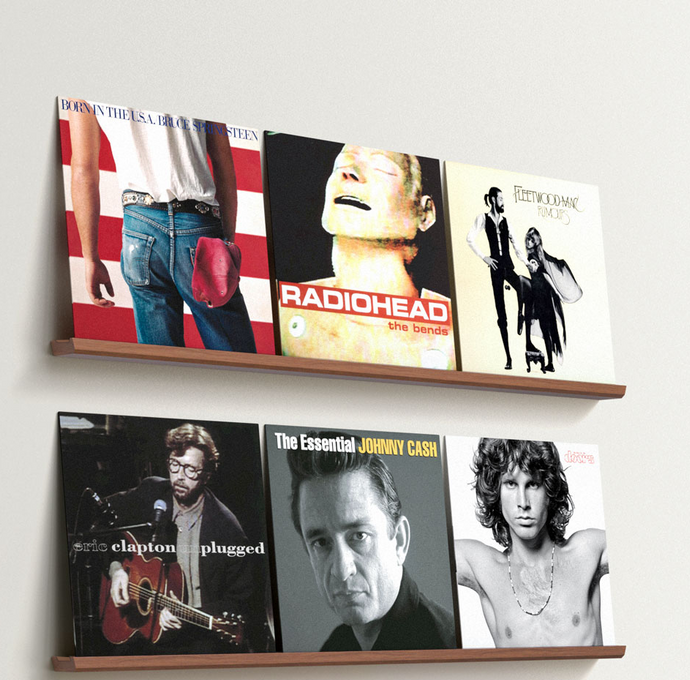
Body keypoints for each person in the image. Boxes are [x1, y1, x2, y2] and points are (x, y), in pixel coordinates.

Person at [67, 103, 257, 352]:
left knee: (161, 370)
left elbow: (83, 170)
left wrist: (91, 257)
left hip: (139, 230)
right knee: (239, 363)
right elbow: (222, 161)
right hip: (198, 224)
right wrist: (226, 244)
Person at [278, 145, 455, 369]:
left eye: (381, 167)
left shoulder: (456, 334)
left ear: (425, 213)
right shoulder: (283, 310)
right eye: (340, 165)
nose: (349, 172)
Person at [102, 423, 257, 652]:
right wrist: (116, 570)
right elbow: (102, 522)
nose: (180, 476)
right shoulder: (151, 493)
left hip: (197, 635)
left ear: (206, 475)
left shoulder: (228, 531)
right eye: (175, 465)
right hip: (144, 625)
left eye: (191, 469)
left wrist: (186, 617)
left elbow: (241, 602)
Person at [286, 441, 456, 651]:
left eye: (359, 536)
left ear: (399, 541)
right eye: (321, 542)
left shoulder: (446, 647)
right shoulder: (336, 647)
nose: (342, 571)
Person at [454, 439, 607, 647]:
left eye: (533, 484)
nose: (523, 503)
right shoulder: (483, 566)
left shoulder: (587, 551)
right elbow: (413, 553)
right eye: (510, 483)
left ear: (549, 491)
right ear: (496, 492)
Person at [465, 187, 526, 370]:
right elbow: (470, 239)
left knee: (523, 288)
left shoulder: (507, 222)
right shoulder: (482, 218)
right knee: (501, 313)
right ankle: (508, 357)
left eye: (502, 199)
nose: (502, 202)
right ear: (492, 199)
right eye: (500, 198)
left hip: (508, 266)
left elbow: (516, 245)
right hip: (496, 268)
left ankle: (521, 314)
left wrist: (525, 262)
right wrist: (484, 257)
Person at [520, 228, 582, 373]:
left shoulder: (533, 257)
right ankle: (550, 364)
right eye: (527, 239)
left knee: (547, 329)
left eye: (531, 239)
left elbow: (544, 274)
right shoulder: (539, 255)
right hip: (543, 295)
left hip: (541, 297)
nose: (528, 241)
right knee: (548, 330)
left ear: (535, 242)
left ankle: (550, 362)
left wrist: (557, 291)